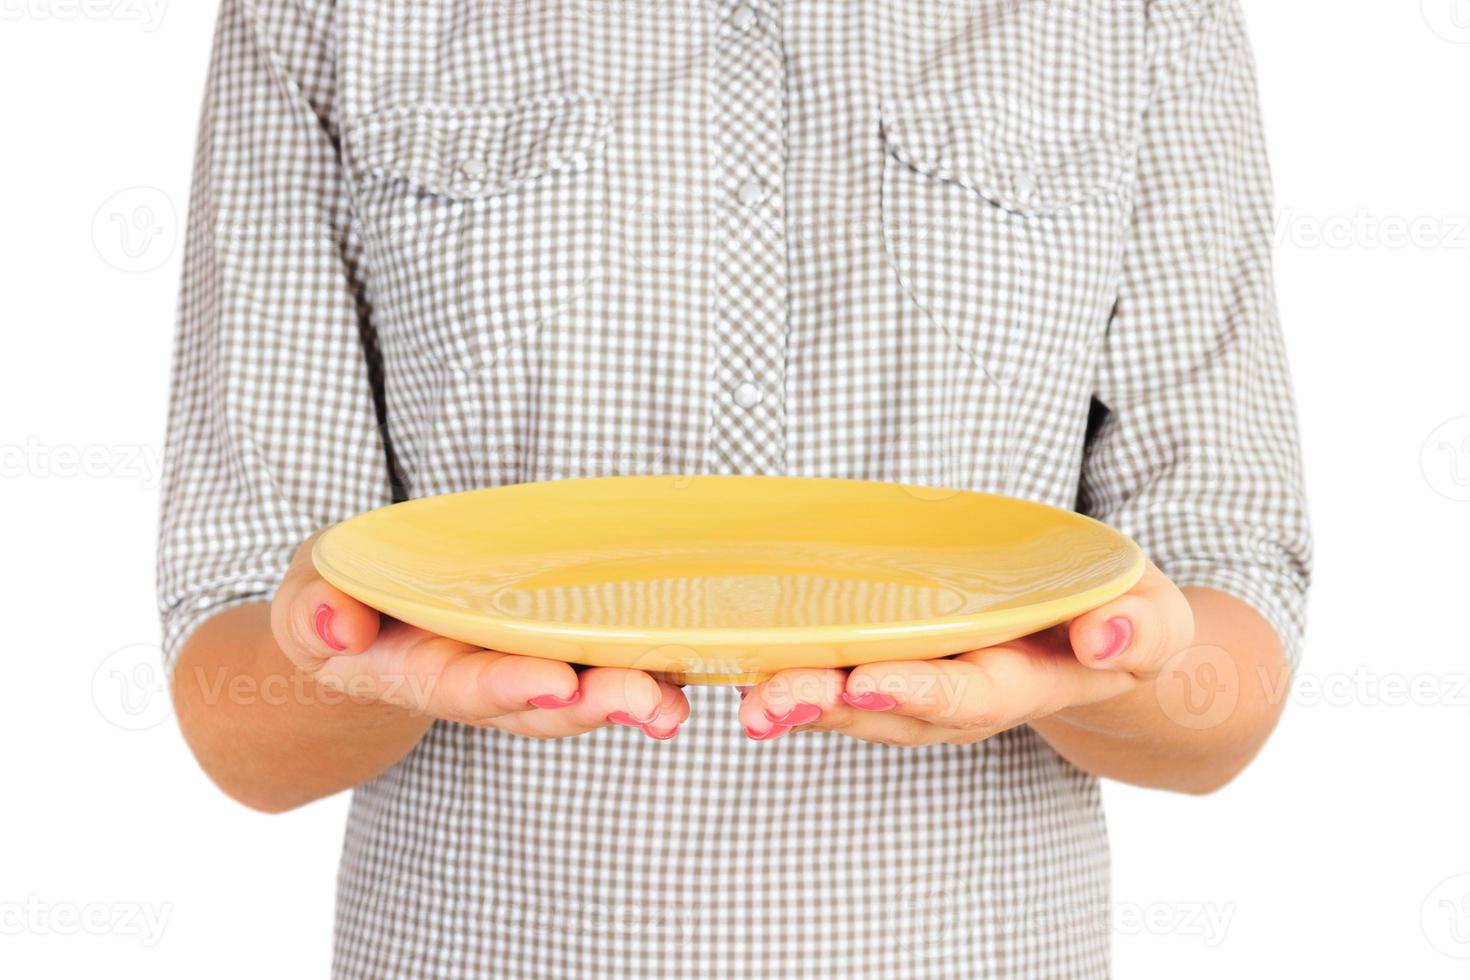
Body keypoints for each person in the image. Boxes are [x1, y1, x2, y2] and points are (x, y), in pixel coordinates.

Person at [158, 1, 1311, 976]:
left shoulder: (1144, 17)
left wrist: (1088, 668)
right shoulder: (320, 12)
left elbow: (1228, 648)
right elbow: (234, 711)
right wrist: (352, 655)